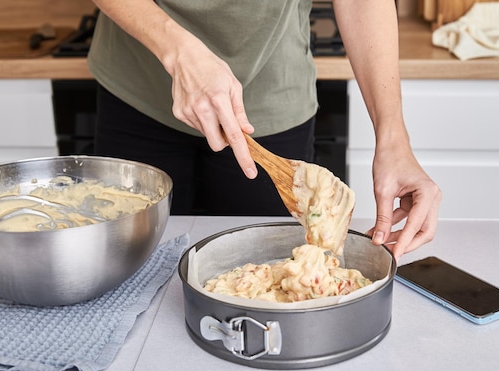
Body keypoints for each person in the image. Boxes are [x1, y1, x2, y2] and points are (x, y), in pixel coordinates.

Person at [87, 0, 441, 261]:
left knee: (268, 265)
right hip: (138, 85)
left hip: (272, 98)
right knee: (130, 262)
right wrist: (179, 52)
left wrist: (393, 137)